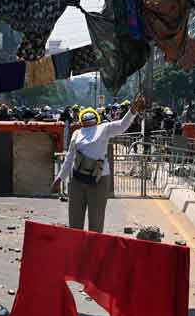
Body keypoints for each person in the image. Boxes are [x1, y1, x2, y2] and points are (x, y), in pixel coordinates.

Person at [53, 95, 146, 232]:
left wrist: (133, 110)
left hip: (98, 180)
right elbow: (69, 157)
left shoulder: (104, 128)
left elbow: (122, 125)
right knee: (75, 223)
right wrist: (59, 178)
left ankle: (92, 252)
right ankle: (78, 251)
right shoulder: (78, 133)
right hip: (78, 180)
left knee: (94, 224)